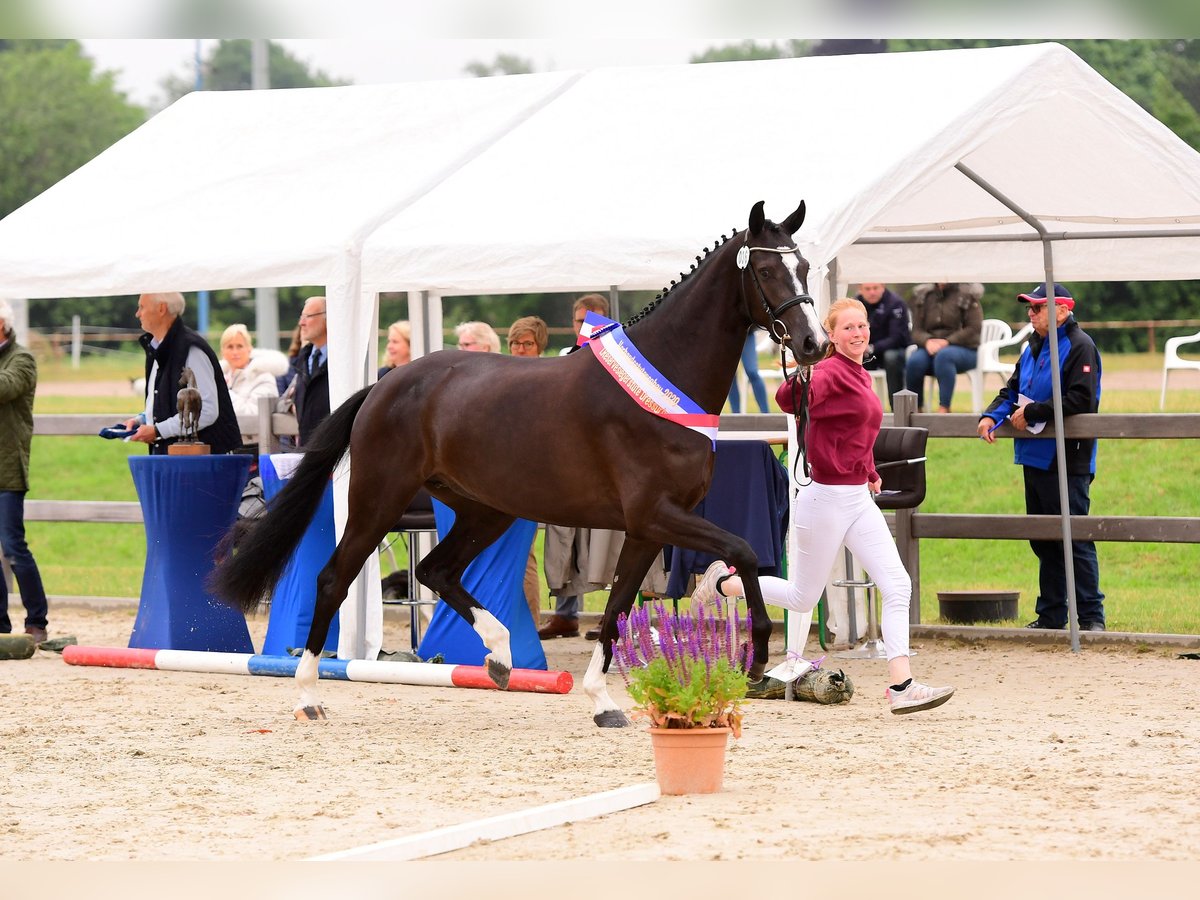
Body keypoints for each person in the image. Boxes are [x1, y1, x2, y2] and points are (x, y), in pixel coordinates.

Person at [693, 298, 955, 714]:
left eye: (863, 326)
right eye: (848, 328)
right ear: (831, 335)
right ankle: (725, 582)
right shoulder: (831, 371)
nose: (859, 333)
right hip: (826, 499)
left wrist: (869, 469)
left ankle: (901, 685)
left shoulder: (861, 374)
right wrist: (806, 368)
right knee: (801, 597)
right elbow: (785, 398)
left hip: (857, 497)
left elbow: (861, 432)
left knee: (897, 585)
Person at [977, 283, 1105, 632]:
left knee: (1074, 538)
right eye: (1029, 309)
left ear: (1062, 311)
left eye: (1037, 308)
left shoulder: (1081, 346)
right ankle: (1051, 615)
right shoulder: (1031, 346)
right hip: (1033, 456)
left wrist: (1035, 411)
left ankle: (1091, 617)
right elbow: (1011, 390)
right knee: (1043, 538)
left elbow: (1081, 400)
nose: (1030, 314)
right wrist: (990, 415)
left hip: (1069, 458)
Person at [540, 294, 610, 639]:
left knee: (609, 541)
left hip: (608, 464)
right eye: (579, 321)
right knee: (564, 539)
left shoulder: (622, 359)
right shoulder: (565, 357)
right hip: (572, 462)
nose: (584, 327)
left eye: (591, 320)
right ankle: (565, 614)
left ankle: (610, 617)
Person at [122, 292, 240, 455]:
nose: (137, 313)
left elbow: (206, 410)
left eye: (142, 307)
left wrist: (157, 430)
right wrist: (142, 420)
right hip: (177, 460)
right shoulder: (157, 348)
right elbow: (163, 401)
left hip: (200, 464)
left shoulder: (191, 349)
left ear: (162, 308)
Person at [0, 300, 50, 646]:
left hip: (7, 469)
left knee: (13, 547)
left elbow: (5, 387)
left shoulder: (22, 358)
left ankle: (36, 620)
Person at [506, 316, 551, 628]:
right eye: (515, 343)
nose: (520, 349)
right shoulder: (500, 375)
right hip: (498, 476)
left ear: (539, 347)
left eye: (527, 344)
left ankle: (531, 626)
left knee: (524, 556)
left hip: (530, 478)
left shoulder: (546, 379)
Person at [903, 282, 983, 412]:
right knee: (914, 361)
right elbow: (916, 330)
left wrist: (947, 341)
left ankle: (944, 408)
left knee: (944, 356)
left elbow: (974, 328)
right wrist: (927, 341)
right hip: (930, 348)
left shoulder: (968, 294)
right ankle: (916, 409)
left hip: (965, 349)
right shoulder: (924, 296)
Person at [857, 282, 912, 410]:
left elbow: (896, 337)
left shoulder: (896, 303)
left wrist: (871, 348)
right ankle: (859, 408)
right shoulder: (856, 305)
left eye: (875, 288)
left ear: (883, 287)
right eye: (868, 289)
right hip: (865, 351)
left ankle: (897, 408)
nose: (872, 292)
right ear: (860, 289)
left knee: (891, 357)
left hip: (893, 350)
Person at [219, 323, 280, 421]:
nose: (235, 352)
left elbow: (253, 415)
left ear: (249, 349)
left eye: (240, 346)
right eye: (230, 347)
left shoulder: (264, 378)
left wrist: (223, 390)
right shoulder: (217, 378)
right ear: (222, 351)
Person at [293, 295, 330, 447]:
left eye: (308, 316)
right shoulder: (303, 358)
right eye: (301, 317)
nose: (301, 323)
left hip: (334, 450)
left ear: (328, 318)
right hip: (307, 449)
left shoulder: (343, 359)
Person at [727, 329, 769, 414]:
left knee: (752, 371)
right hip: (727, 334)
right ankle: (735, 414)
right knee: (730, 376)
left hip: (746, 333)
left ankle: (765, 413)